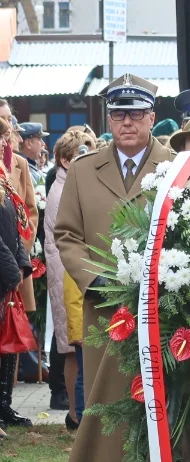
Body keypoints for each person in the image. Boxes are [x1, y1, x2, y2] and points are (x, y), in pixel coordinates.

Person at [54, 74, 179, 462]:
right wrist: (95, 279)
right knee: (105, 404)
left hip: (164, 312)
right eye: (119, 113)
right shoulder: (82, 169)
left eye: (137, 113)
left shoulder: (177, 167)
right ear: (108, 119)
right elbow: (67, 235)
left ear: (151, 116)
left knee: (162, 408)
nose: (128, 122)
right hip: (103, 311)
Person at [45, 131, 95, 431]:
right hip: (69, 277)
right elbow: (63, 241)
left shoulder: (72, 184)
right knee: (74, 349)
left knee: (75, 348)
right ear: (65, 160)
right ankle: (76, 414)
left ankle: (76, 412)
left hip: (73, 277)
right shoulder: (62, 191)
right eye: (81, 153)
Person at [0, 117, 33, 431]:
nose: (2, 145)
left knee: (7, 347)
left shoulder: (4, 180)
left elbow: (15, 227)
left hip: (7, 273)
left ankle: (4, 407)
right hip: (2, 272)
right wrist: (13, 270)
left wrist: (22, 263)